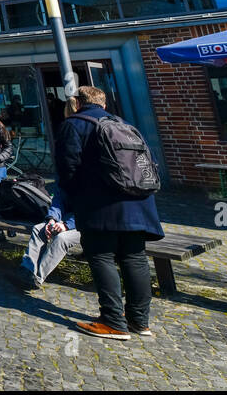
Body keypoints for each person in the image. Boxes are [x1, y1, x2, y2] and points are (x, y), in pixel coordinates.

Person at [56, 85, 163, 340]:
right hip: (138, 201)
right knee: (135, 259)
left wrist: (75, 199)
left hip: (100, 205)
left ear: (79, 103)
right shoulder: (124, 124)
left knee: (102, 257)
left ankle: (113, 321)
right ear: (104, 104)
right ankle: (139, 321)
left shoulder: (75, 124)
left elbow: (67, 169)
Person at [14, 185, 79, 290]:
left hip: (87, 225)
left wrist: (67, 225)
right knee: (39, 229)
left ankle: (37, 278)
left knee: (62, 239)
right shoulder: (66, 175)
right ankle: (27, 270)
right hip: (65, 218)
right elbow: (58, 200)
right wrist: (52, 219)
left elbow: (90, 210)